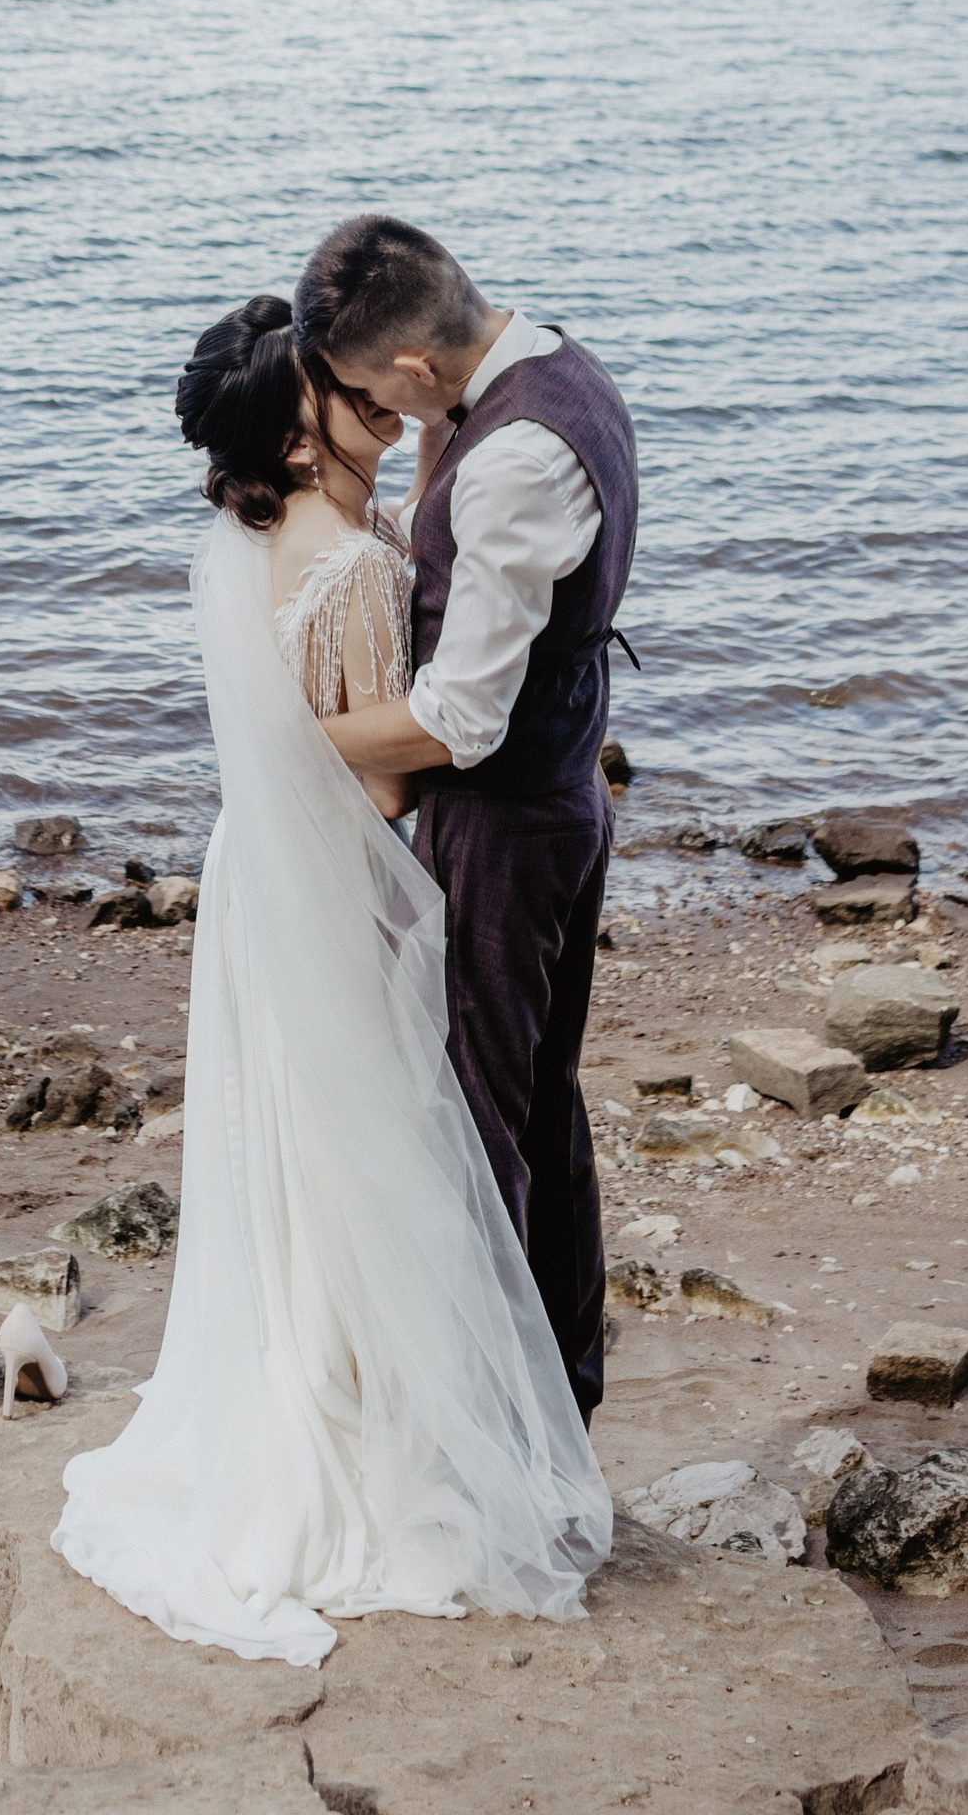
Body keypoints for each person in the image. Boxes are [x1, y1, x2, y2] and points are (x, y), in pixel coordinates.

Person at [52, 292, 609, 1665]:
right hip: (325, 873)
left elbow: (284, 733)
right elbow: (371, 773)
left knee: (291, 1152)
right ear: (301, 438)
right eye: (349, 400)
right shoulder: (350, 567)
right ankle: (369, 1436)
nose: (380, 409)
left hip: (256, 873)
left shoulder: (244, 543)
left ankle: (307, 1388)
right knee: (369, 1150)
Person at [293, 215, 635, 1422]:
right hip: (563, 789)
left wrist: (290, 746)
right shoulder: (551, 364)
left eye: (364, 394)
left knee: (479, 1127)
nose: (371, 419)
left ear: (419, 371)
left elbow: (460, 718)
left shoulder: (509, 460)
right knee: (539, 1100)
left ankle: (491, 1436)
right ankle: (558, 1402)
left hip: (507, 821)